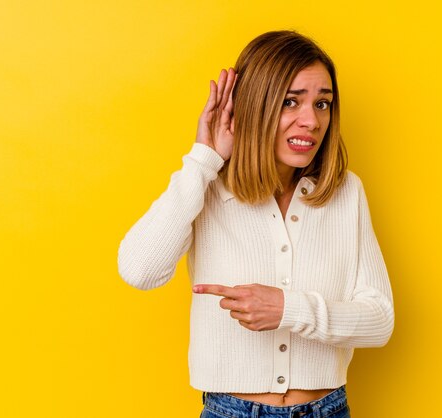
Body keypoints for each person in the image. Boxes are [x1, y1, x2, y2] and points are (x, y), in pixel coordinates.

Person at [118, 30, 394, 418]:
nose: (311, 120)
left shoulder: (345, 192)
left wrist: (289, 310)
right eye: (290, 102)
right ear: (254, 105)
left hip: (328, 409)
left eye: (323, 103)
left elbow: (380, 320)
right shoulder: (207, 187)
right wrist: (203, 159)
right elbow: (139, 270)